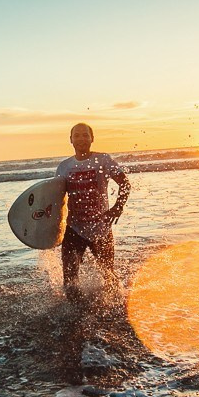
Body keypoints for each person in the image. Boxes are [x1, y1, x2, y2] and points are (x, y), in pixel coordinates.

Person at [56, 123, 131, 300]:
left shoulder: (103, 160)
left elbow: (125, 184)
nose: (81, 139)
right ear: (71, 140)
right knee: (70, 279)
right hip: (73, 229)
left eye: (85, 135)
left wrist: (117, 207)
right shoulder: (64, 167)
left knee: (108, 274)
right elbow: (56, 198)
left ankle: (116, 306)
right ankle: (75, 313)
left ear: (92, 138)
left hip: (101, 228)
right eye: (77, 135)